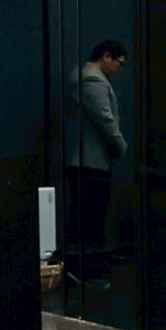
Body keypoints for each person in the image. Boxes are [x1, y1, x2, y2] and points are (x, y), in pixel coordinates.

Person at [64, 39, 129, 290]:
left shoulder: (83, 76)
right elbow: (106, 121)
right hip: (91, 162)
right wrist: (121, 146)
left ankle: (83, 271)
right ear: (106, 56)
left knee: (85, 217)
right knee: (91, 219)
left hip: (85, 160)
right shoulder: (93, 81)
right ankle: (88, 274)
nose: (119, 69)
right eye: (119, 63)